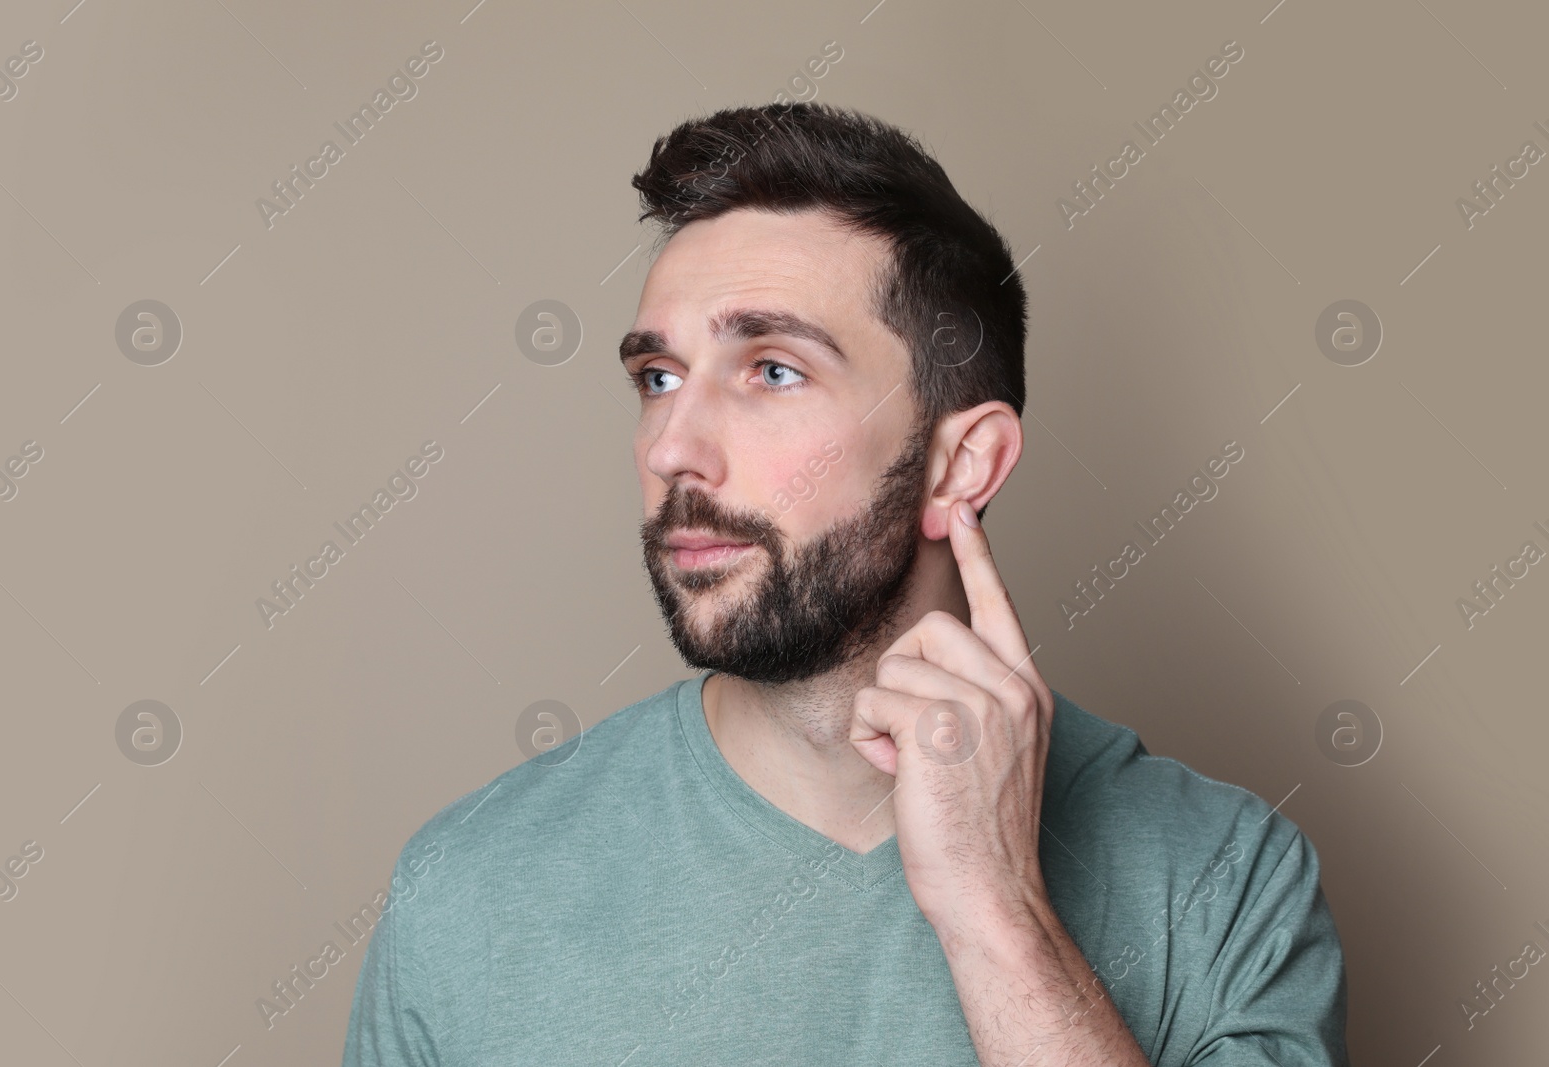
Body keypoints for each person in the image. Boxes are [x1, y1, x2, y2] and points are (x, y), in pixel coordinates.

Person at [342, 101, 1348, 1065]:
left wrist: (996, 909)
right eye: (657, 378)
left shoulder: (1224, 878)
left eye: (771, 370)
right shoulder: (468, 892)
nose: (673, 448)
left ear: (961, 464)